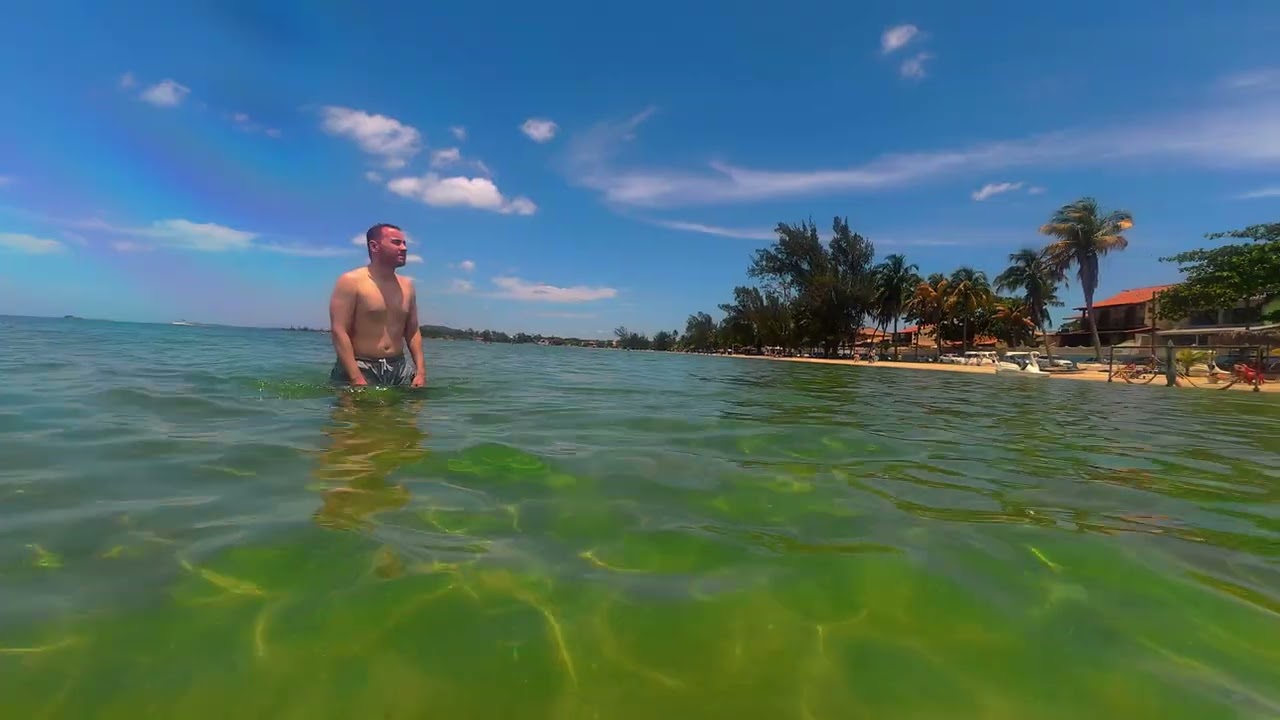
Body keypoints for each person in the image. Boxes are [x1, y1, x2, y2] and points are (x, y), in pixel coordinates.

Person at [328, 223, 426, 387]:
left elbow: (413, 330)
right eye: (396, 242)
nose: (404, 248)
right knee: (351, 413)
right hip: (360, 366)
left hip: (399, 368)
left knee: (403, 413)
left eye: (404, 243)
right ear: (374, 246)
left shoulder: (407, 286)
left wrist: (421, 372)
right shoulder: (351, 281)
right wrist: (355, 377)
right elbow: (339, 331)